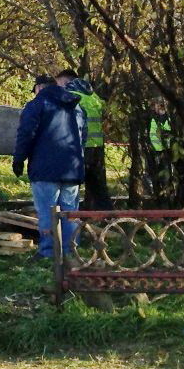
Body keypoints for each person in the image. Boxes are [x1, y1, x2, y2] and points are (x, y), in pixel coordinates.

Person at [13, 73, 86, 261]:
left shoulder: (37, 105)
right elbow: (81, 138)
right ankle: (71, 252)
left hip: (44, 169)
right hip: (72, 169)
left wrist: (19, 159)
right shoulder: (77, 108)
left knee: (47, 211)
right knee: (70, 212)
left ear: (39, 88)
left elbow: (25, 134)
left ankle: (48, 254)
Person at [56, 69, 112, 210]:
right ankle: (108, 218)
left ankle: (71, 220)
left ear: (67, 82)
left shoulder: (71, 97)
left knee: (72, 186)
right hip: (97, 147)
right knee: (98, 187)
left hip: (81, 147)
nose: (58, 87)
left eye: (59, 83)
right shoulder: (93, 97)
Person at [147, 98, 174, 206]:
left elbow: (166, 132)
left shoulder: (164, 117)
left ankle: (166, 203)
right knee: (157, 178)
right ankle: (161, 201)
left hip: (163, 152)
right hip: (156, 151)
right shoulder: (153, 117)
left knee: (165, 179)